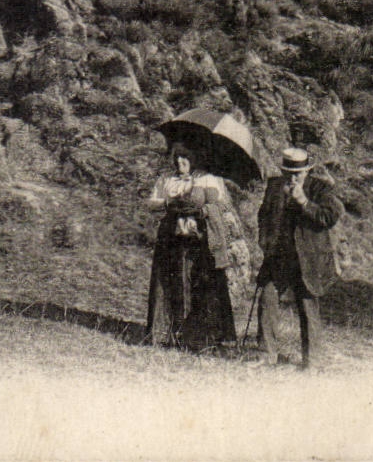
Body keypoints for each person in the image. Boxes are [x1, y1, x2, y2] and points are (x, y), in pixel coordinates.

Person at [146, 141, 246, 351]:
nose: (180, 162)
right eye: (177, 157)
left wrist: (202, 209)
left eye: (185, 157)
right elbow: (151, 203)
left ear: (194, 159)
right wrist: (167, 204)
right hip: (171, 237)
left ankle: (200, 337)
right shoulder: (167, 179)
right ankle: (169, 333)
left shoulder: (206, 177)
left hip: (199, 238)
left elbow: (219, 203)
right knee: (171, 282)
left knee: (199, 284)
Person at [255, 146, 342, 369]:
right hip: (279, 255)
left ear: (308, 170)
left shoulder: (319, 188)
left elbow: (329, 216)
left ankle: (312, 362)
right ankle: (267, 355)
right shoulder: (275, 186)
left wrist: (304, 202)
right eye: (289, 173)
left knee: (307, 306)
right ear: (283, 171)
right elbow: (263, 215)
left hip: (308, 258)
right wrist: (265, 242)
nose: (294, 178)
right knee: (267, 299)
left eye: (299, 173)